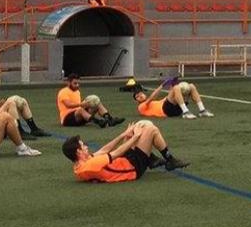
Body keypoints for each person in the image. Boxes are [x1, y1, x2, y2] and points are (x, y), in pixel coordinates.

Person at [61, 120, 189, 182]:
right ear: (78, 152)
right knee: (151, 129)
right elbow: (117, 153)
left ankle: (151, 158)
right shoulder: (91, 164)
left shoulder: (80, 166)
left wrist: (124, 135)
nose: (86, 147)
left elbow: (104, 150)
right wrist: (135, 137)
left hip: (124, 162)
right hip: (133, 168)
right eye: (83, 146)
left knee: (141, 124)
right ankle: (169, 160)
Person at [57, 73, 124, 128]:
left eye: (78, 83)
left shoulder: (77, 92)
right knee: (80, 110)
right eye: (75, 83)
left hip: (79, 117)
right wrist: (82, 104)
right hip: (67, 120)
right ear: (69, 83)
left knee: (96, 103)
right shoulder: (63, 92)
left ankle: (110, 120)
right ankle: (99, 122)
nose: (77, 85)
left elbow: (78, 106)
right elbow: (68, 105)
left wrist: (87, 104)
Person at [133, 77, 213, 119]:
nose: (139, 96)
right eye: (137, 96)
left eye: (140, 93)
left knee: (191, 86)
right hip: (166, 111)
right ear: (136, 100)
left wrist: (172, 84)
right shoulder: (141, 107)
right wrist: (163, 84)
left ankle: (202, 110)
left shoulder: (156, 103)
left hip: (175, 110)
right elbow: (151, 97)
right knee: (176, 88)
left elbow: (170, 97)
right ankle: (186, 112)